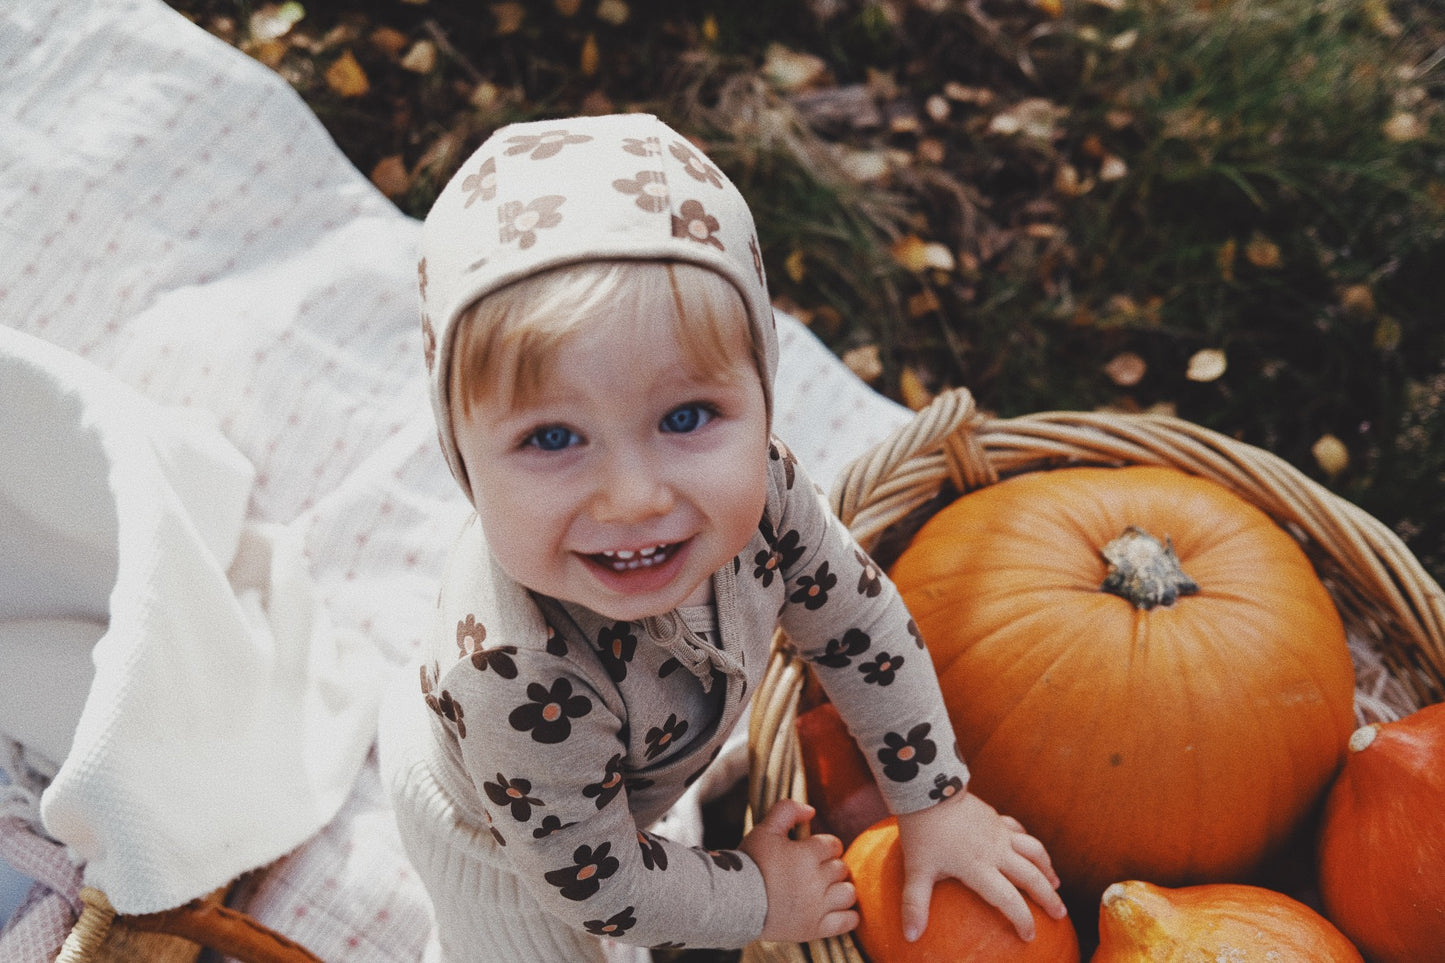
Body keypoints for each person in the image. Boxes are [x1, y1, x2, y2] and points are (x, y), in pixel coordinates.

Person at [382, 112, 1065, 962]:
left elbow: (860, 629)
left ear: (761, 400)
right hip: (504, 842)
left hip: (608, 784)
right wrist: (757, 896)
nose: (632, 498)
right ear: (464, 462)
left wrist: (932, 799)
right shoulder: (514, 679)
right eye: (551, 437)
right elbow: (605, 892)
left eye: (686, 415)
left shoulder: (766, 492)